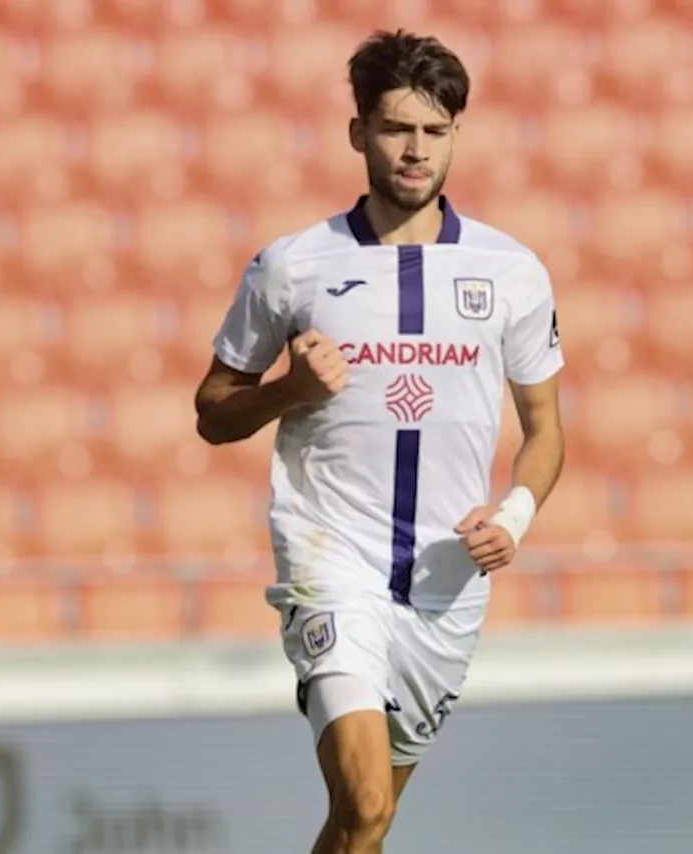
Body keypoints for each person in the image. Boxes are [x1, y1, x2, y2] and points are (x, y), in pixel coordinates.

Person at [193, 30, 566, 853]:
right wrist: (291, 388)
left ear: (456, 135)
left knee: (366, 826)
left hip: (446, 581)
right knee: (363, 804)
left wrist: (514, 517)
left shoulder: (511, 272)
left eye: (435, 132)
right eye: (398, 129)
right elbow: (212, 410)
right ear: (358, 131)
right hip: (333, 561)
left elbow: (545, 431)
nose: (415, 150)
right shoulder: (293, 267)